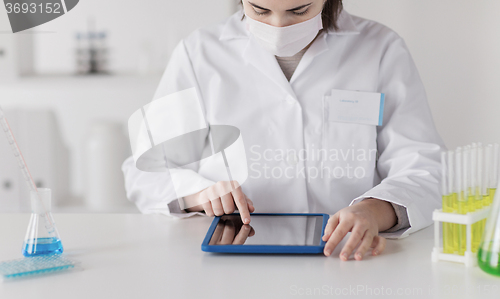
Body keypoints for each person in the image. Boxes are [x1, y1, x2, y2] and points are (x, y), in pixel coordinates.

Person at [122, 0, 445, 261]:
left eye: (299, 10)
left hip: (346, 256)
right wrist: (199, 194)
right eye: (260, 10)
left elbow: (425, 166)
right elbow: (145, 170)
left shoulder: (380, 48)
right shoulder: (200, 53)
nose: (277, 27)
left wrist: (373, 211)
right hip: (234, 262)